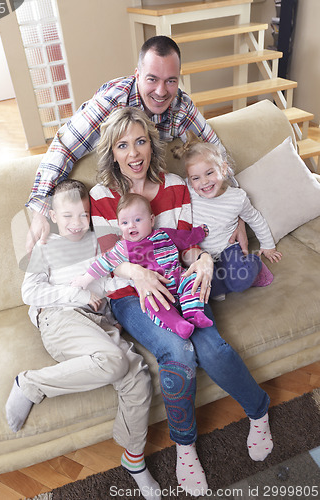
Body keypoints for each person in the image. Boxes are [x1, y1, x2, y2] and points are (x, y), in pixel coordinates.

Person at [89, 107, 273, 497]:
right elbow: (110, 260)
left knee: (213, 347)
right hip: (132, 295)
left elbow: (191, 245)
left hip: (181, 284)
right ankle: (185, 448)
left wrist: (204, 261)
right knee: (178, 350)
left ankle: (258, 410)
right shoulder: (102, 196)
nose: (133, 153)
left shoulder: (175, 185)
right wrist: (138, 274)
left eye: (140, 141)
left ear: (151, 144)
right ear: (113, 152)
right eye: (123, 145)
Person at [6, 179, 161, 500]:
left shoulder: (95, 243)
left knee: (136, 374)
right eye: (67, 217)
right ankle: (30, 384)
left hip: (97, 320)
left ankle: (133, 457)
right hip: (58, 315)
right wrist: (75, 293)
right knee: (114, 360)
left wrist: (128, 279)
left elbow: (103, 282)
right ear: (52, 215)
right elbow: (30, 292)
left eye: (83, 216)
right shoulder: (45, 246)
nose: (76, 224)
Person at [25, 35, 230, 255]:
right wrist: (40, 211)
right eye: (152, 79)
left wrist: (231, 211)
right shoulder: (110, 103)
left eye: (170, 80)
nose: (161, 91)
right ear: (138, 75)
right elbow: (64, 147)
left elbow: (217, 154)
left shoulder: (181, 106)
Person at [72, 192, 213, 339]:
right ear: (119, 225)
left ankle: (195, 314)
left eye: (138, 219)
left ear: (152, 220)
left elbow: (185, 238)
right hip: (154, 287)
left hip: (178, 278)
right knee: (150, 302)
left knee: (193, 279)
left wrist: (200, 232)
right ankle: (178, 325)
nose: (131, 225)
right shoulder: (123, 247)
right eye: (124, 223)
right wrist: (85, 278)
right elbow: (104, 263)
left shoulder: (164, 234)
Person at [173, 132, 282, 300]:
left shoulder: (237, 198)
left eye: (209, 173)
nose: (204, 182)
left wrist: (268, 245)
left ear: (223, 169)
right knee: (201, 288)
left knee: (240, 281)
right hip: (201, 254)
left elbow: (254, 218)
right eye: (196, 177)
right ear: (189, 180)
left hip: (228, 249)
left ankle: (255, 265)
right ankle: (222, 284)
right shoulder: (188, 191)